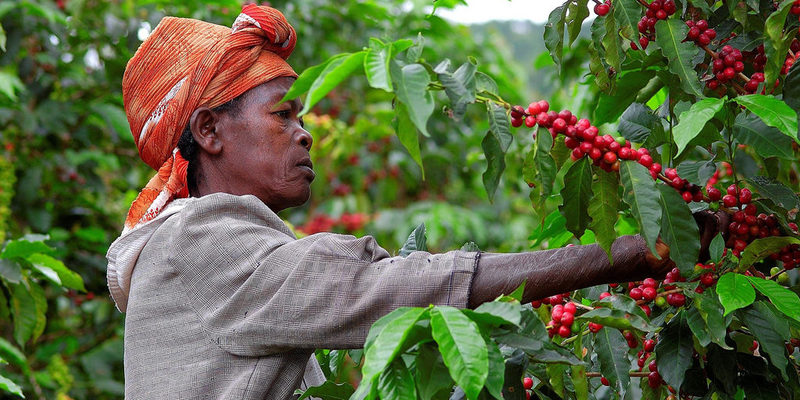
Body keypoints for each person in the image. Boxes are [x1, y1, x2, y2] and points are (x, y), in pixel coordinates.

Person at [106, 5, 685, 399]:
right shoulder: (200, 242)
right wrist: (635, 254)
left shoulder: (201, 245)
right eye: (284, 114)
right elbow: (380, 286)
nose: (306, 133)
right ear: (209, 132)